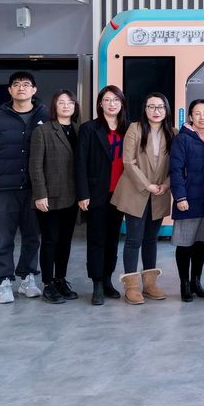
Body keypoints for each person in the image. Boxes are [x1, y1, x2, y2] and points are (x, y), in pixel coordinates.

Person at [0, 71, 48, 303]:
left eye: (26, 84)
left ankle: (27, 278)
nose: (21, 88)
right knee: (3, 239)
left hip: (35, 190)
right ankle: (4, 281)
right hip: (3, 190)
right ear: (9, 90)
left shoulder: (45, 115)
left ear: (34, 90)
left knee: (32, 237)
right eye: (16, 84)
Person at [111, 93, 175, 304]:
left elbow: (176, 165)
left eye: (160, 107)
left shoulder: (173, 132)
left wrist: (166, 184)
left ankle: (150, 285)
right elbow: (128, 162)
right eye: (151, 106)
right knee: (134, 239)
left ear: (166, 109)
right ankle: (131, 287)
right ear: (145, 109)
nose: (156, 111)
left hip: (160, 193)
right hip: (135, 191)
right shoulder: (135, 129)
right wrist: (147, 185)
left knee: (151, 239)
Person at [76, 85, 129, 305]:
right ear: (100, 103)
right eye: (107, 100)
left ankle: (107, 280)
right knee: (96, 239)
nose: (111, 104)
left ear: (121, 103)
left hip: (121, 193)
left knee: (113, 239)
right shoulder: (89, 128)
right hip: (96, 193)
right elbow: (80, 163)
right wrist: (83, 194)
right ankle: (97, 283)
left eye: (115, 100)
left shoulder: (129, 128)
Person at [29, 90, 80, 304]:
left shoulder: (79, 129)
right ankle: (48, 284)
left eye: (70, 102)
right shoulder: (43, 131)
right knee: (50, 240)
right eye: (61, 102)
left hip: (72, 196)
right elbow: (35, 166)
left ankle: (60, 279)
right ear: (54, 106)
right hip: (49, 197)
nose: (66, 106)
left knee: (65, 241)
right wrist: (40, 194)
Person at [169, 99, 204, 302]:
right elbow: (175, 170)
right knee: (185, 244)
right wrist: (180, 197)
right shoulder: (182, 139)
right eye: (197, 113)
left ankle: (196, 282)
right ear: (190, 117)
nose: (202, 117)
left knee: (199, 243)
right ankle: (184, 284)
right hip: (187, 199)